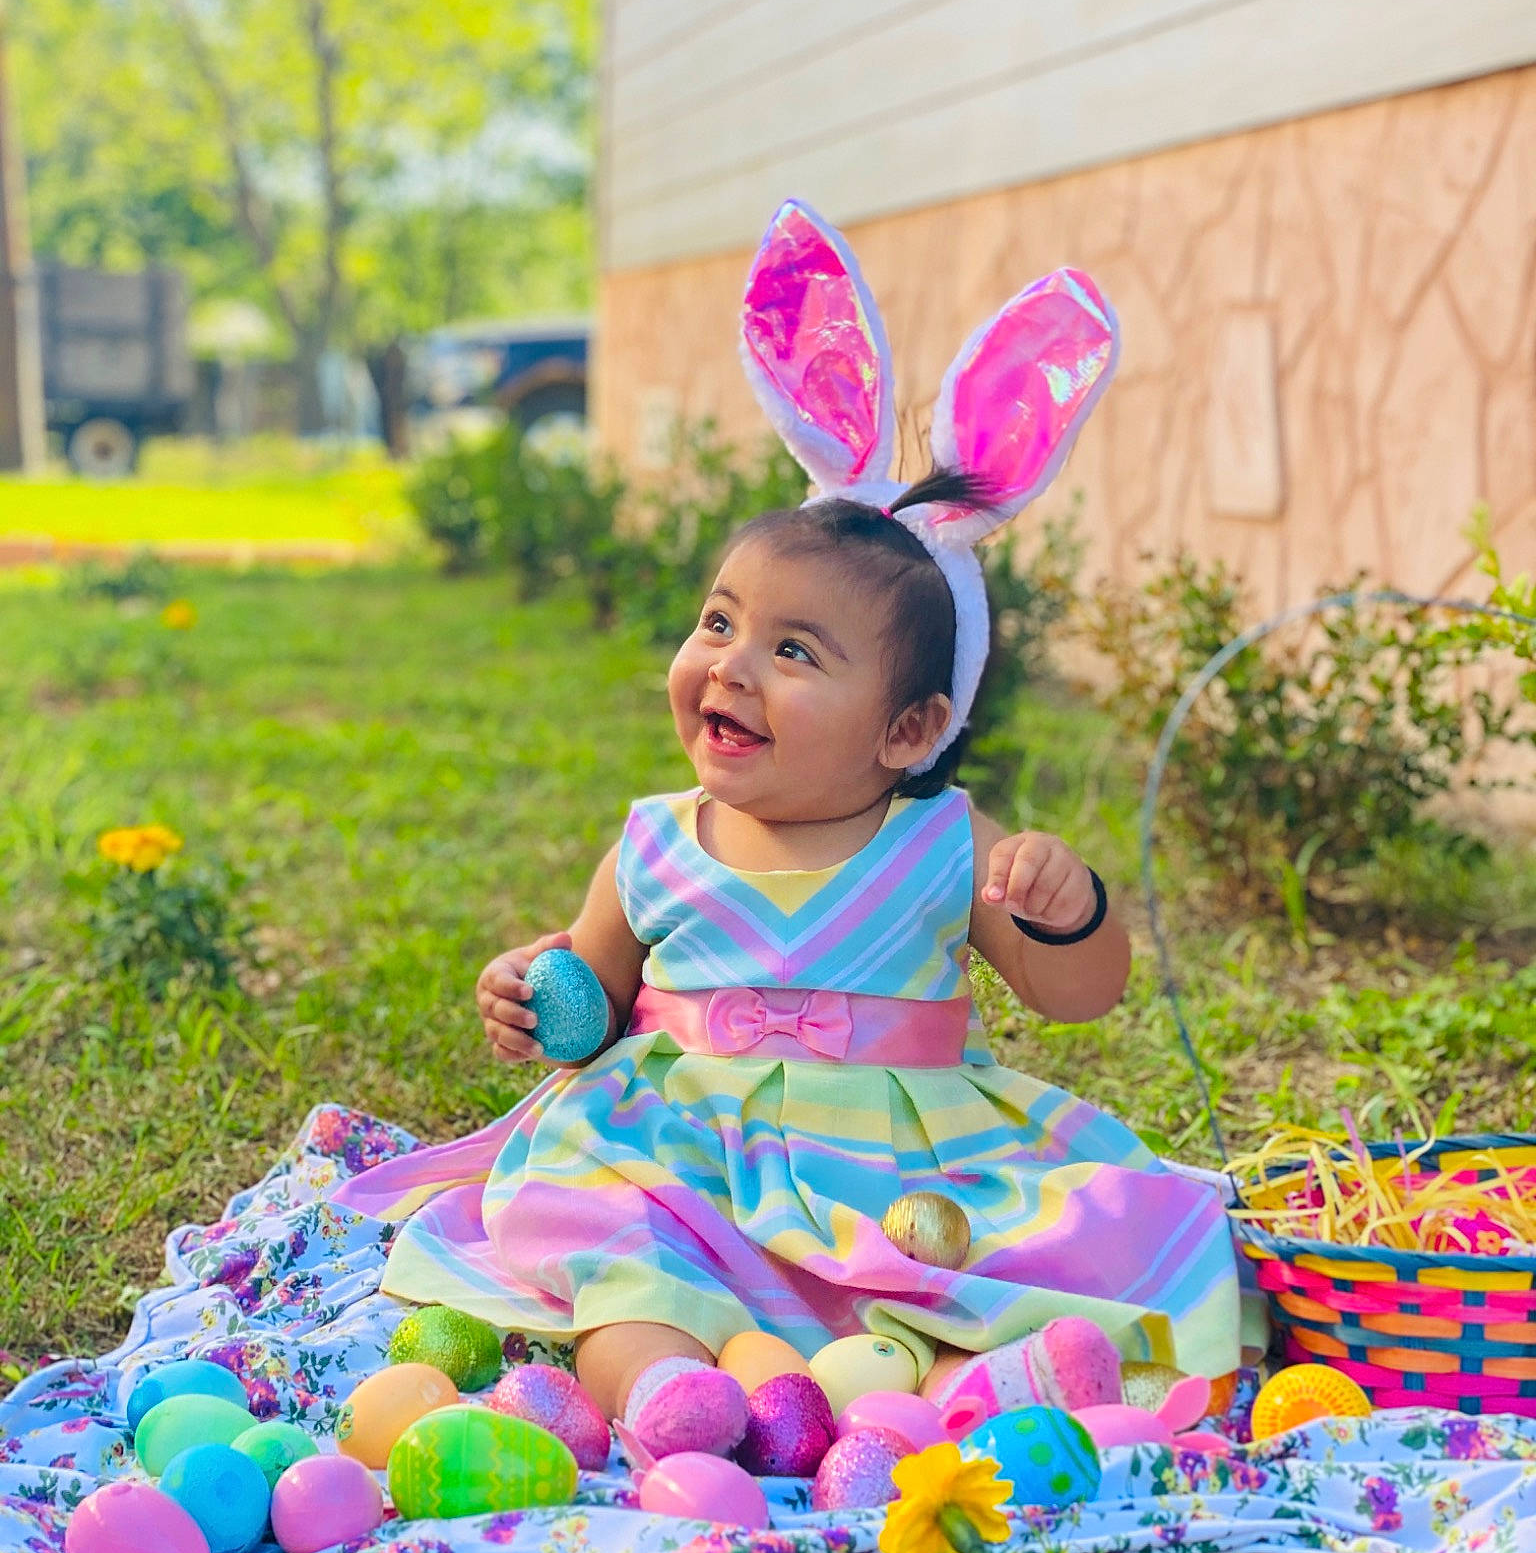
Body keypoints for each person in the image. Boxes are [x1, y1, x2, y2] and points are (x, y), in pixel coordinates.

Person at [339, 200, 1240, 1457]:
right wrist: (537, 995)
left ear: (910, 728)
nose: (732, 664)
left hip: (894, 1168)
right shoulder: (655, 841)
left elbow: (1080, 993)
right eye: (720, 623)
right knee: (624, 1259)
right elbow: (591, 1001)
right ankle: (671, 1394)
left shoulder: (945, 846)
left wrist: (1069, 904)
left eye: (795, 650)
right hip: (677, 1155)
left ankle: (974, 1388)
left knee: (965, 1264)